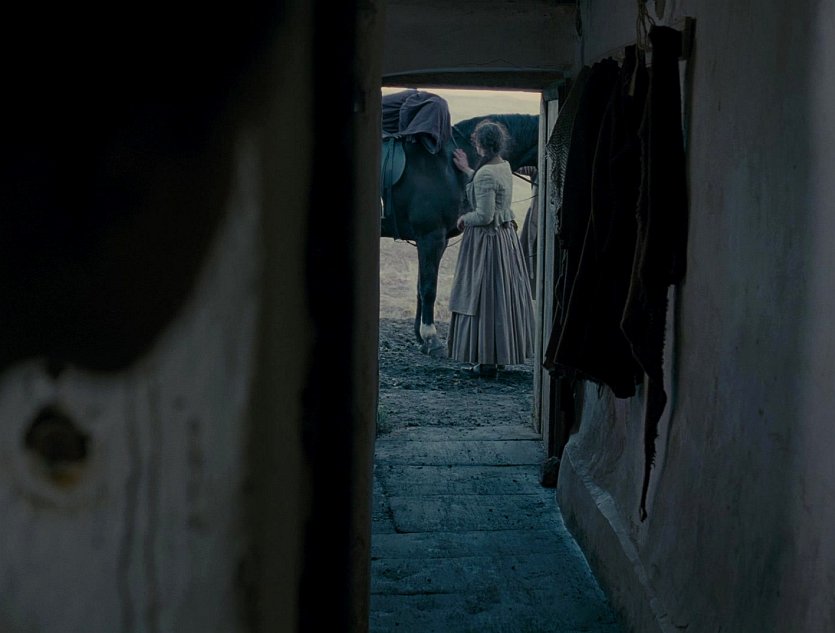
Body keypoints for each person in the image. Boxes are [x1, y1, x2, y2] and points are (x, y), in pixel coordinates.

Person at [447, 119, 535, 378]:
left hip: (488, 242)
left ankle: (486, 362)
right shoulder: (503, 166)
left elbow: (484, 215)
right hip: (504, 239)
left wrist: (464, 219)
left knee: (484, 298)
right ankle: (498, 356)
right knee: (501, 298)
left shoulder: (486, 173)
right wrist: (467, 170)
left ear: (479, 144)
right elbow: (489, 188)